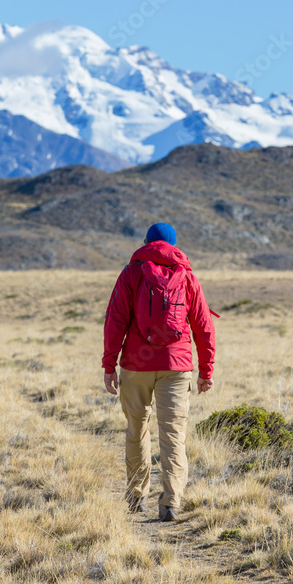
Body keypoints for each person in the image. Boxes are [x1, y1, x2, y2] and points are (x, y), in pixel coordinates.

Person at [102, 222, 217, 522]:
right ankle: (171, 503)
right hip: (176, 366)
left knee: (136, 428)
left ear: (146, 243)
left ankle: (135, 496)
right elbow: (203, 326)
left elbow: (115, 320)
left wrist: (108, 364)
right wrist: (206, 370)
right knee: (173, 435)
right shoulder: (187, 277)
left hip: (135, 365)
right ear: (175, 246)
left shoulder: (131, 273)